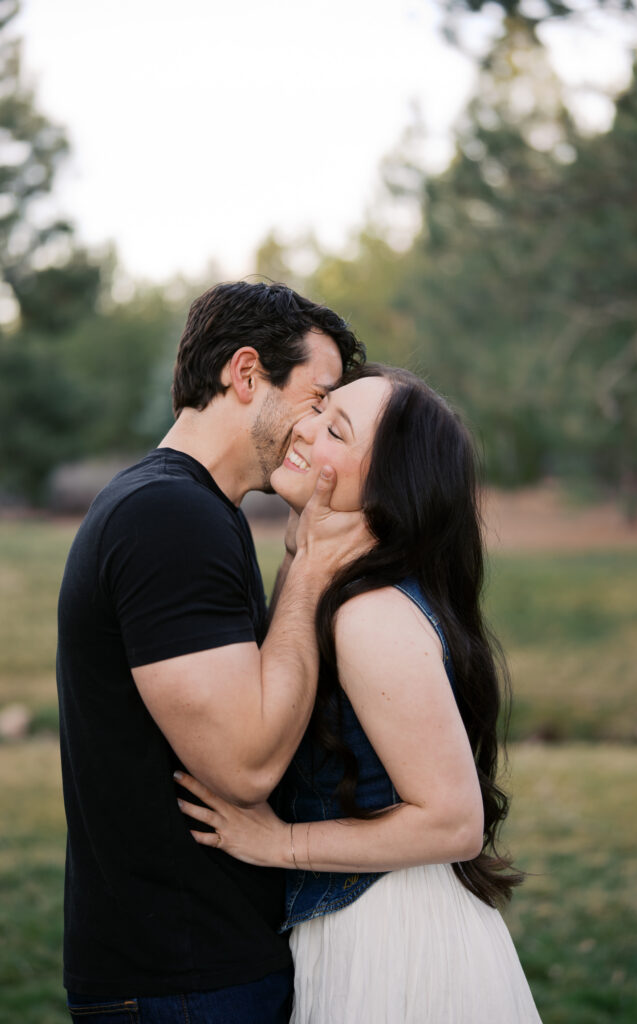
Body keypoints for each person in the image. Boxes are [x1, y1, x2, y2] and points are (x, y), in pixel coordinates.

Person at [175, 364, 542, 1023]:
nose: (306, 429)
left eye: (336, 430)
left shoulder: (370, 615)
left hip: (396, 948)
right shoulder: (344, 591)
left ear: (387, 494)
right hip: (366, 927)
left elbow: (454, 820)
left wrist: (279, 844)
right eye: (320, 410)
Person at [56, 281, 369, 1023]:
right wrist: (312, 569)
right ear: (246, 372)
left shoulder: (194, 510)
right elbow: (244, 764)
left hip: (194, 968)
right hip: (185, 979)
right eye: (318, 398)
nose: (320, 428)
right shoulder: (169, 517)